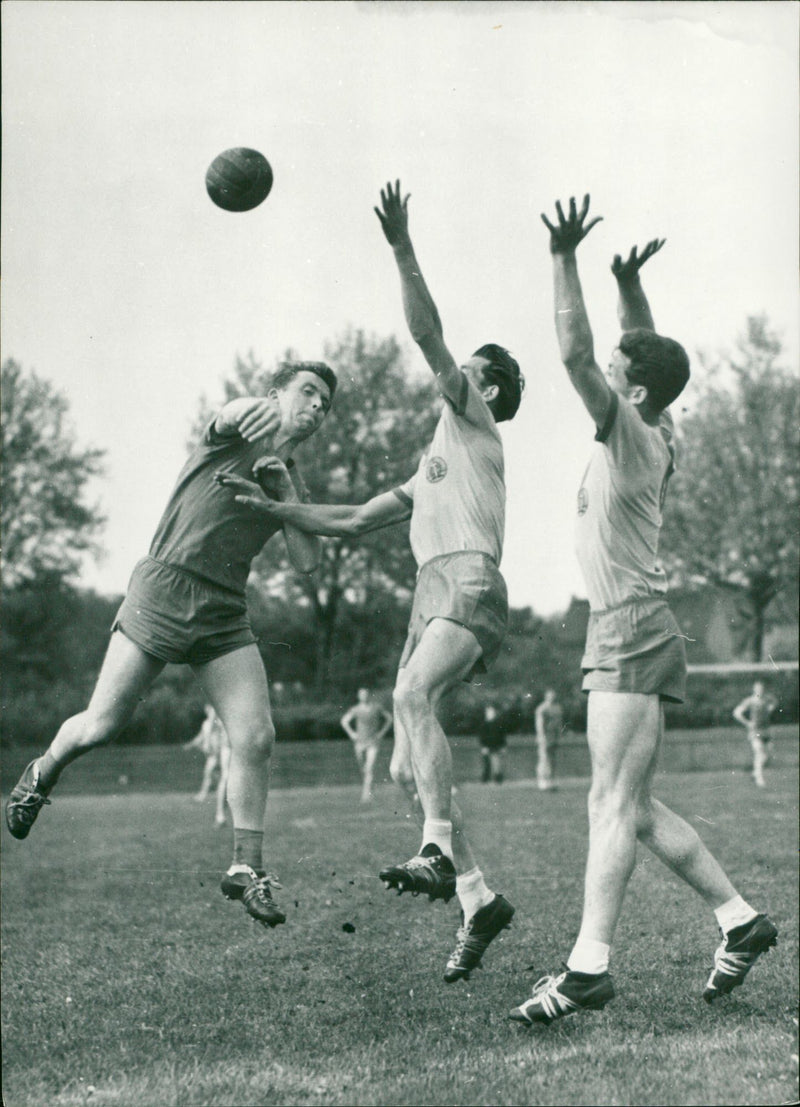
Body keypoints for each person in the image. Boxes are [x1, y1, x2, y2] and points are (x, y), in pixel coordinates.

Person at [218, 179, 525, 983]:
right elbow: (351, 520)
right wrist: (275, 500)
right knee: (399, 767)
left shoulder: (474, 420)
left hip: (467, 578)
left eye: (469, 368)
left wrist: (399, 245)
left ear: (486, 387)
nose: (454, 371)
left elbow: (428, 332)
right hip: (430, 590)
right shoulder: (432, 468)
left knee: (413, 700)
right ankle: (477, 895)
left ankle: (432, 848)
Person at [509, 195, 777, 1027]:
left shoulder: (627, 428)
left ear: (633, 386)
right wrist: (630, 283)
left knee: (609, 805)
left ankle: (588, 966)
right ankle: (741, 919)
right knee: (635, 805)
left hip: (629, 624)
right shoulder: (656, 424)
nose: (613, 367)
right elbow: (650, 355)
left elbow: (579, 351)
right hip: (630, 625)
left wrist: (564, 257)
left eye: (623, 367)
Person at [6, 360, 336, 931]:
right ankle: (41, 773)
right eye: (307, 392)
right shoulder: (236, 431)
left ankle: (246, 867)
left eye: (325, 404)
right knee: (101, 725)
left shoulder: (288, 474)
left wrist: (284, 494)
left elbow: (309, 563)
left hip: (223, 611)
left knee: (256, 736)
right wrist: (245, 410)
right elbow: (224, 418)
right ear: (275, 393)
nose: (316, 407)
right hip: (163, 588)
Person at [340, 688, 393, 803]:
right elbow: (344, 721)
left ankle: (366, 795)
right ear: (359, 696)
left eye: (366, 694)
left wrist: (381, 733)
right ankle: (369, 790)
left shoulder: (376, 707)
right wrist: (352, 733)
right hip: (360, 742)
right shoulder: (356, 709)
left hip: (373, 741)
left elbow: (389, 719)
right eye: (362, 695)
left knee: (369, 767)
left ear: (369, 695)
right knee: (364, 769)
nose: (364, 696)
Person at [184, 704, 231, 826]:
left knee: (221, 777)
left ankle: (218, 804)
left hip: (226, 748)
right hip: (224, 748)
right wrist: (206, 743)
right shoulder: (212, 719)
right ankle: (219, 813)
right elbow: (210, 725)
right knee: (220, 776)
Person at [733, 681, 778, 789]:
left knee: (767, 755)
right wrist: (747, 723)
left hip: (766, 730)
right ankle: (759, 778)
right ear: (754, 690)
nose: (760, 691)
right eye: (757, 689)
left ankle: (755, 772)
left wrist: (771, 708)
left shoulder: (767, 699)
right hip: (755, 730)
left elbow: (775, 702)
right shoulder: (750, 701)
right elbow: (736, 713)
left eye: (761, 689)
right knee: (759, 752)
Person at [534, 689, 564, 791]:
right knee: (543, 758)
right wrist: (541, 736)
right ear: (546, 696)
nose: (552, 697)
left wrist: (559, 735)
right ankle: (542, 780)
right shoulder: (542, 708)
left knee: (552, 759)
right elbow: (539, 724)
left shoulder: (557, 708)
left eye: (553, 695)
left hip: (553, 736)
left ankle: (551, 780)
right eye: (550, 695)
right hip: (545, 736)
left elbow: (559, 724)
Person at [478, 704, 507, 784]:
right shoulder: (484, 725)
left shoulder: (499, 724)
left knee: (497, 763)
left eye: (492, 712)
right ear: (486, 713)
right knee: (486, 763)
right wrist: (483, 746)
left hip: (497, 746)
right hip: (487, 746)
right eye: (489, 712)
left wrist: (503, 746)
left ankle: (498, 779)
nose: (491, 714)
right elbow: (482, 737)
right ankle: (485, 779)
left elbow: (502, 736)